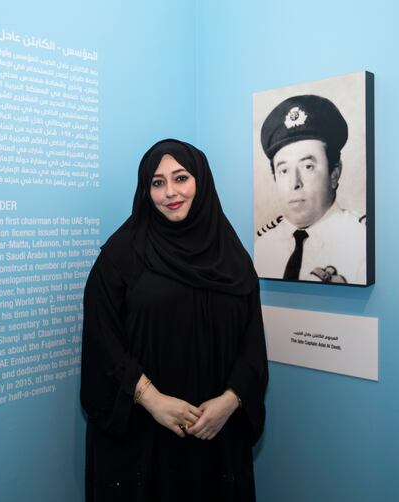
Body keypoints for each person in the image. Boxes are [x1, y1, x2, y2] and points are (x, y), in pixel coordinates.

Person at [81, 139, 268, 501]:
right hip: (142, 433)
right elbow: (102, 340)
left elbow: (252, 339)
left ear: (201, 180)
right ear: (145, 190)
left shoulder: (232, 256)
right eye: (157, 182)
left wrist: (231, 401)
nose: (170, 192)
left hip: (216, 431)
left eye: (181, 178)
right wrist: (153, 400)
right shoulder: (121, 255)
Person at [254, 94, 366, 284]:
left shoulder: (361, 240)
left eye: (308, 167)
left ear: (334, 173)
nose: (294, 183)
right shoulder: (263, 245)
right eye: (283, 170)